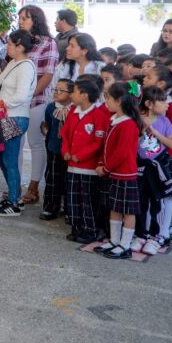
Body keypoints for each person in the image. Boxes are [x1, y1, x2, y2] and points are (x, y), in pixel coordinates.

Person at [0, 30, 37, 217]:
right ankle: (14, 197)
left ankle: (14, 201)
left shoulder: (26, 67)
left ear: (20, 47)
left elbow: (21, 96)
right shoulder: (14, 63)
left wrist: (1, 104)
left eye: (11, 44)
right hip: (6, 116)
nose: (8, 47)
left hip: (15, 117)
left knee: (9, 160)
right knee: (4, 159)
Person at [96, 82, 145, 260]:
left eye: (108, 97)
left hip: (124, 174)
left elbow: (122, 152)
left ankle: (125, 244)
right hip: (114, 173)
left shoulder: (128, 124)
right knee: (114, 207)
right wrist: (102, 162)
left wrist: (106, 168)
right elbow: (108, 147)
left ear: (119, 101)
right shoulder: (115, 120)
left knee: (128, 211)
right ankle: (114, 240)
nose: (105, 101)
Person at [16, 5, 58, 206]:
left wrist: (28, 94)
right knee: (15, 144)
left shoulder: (48, 43)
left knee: (35, 143)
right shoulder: (19, 40)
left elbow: (48, 75)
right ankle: (13, 185)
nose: (21, 21)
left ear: (36, 20)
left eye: (26, 18)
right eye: (20, 18)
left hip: (37, 100)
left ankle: (33, 187)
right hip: (16, 103)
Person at [60, 77, 110, 243]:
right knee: (73, 199)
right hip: (72, 167)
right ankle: (76, 227)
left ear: (85, 95)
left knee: (88, 200)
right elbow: (65, 134)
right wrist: (66, 150)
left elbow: (98, 142)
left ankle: (90, 230)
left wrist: (79, 156)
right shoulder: (73, 112)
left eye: (74, 91)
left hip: (88, 168)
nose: (72, 95)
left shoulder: (99, 116)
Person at [136, 85, 172, 255]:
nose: (167, 103)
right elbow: (132, 140)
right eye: (162, 100)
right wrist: (144, 128)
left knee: (158, 202)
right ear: (149, 104)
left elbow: (171, 144)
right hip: (140, 167)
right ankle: (141, 235)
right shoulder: (137, 119)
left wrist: (153, 131)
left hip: (158, 167)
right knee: (141, 201)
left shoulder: (164, 121)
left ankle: (157, 236)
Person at [40, 78, 73, 221]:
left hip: (71, 152)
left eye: (62, 90)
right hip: (54, 148)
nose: (56, 92)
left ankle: (68, 208)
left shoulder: (75, 110)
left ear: (72, 94)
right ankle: (50, 207)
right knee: (52, 178)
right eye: (55, 89)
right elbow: (48, 124)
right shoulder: (51, 108)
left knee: (69, 180)